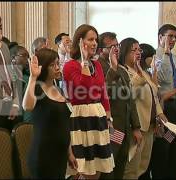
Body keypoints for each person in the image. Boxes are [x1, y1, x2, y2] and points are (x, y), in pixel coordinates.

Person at [63, 24, 115, 179]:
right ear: (80, 42)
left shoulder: (97, 64)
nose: (94, 43)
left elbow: (102, 92)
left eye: (96, 40)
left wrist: (108, 118)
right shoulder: (70, 65)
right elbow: (82, 90)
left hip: (98, 119)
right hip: (80, 119)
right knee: (81, 169)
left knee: (97, 167)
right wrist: (84, 60)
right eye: (90, 39)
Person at [98, 32, 142, 180]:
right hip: (110, 127)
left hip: (125, 127)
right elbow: (103, 93)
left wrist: (135, 126)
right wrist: (113, 68)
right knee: (108, 169)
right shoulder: (98, 67)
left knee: (121, 167)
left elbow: (130, 100)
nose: (116, 49)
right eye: (111, 46)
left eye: (117, 45)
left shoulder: (122, 69)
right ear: (100, 49)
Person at [120, 38, 165, 179]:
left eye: (139, 49)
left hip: (149, 125)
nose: (138, 52)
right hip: (136, 126)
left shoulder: (142, 70)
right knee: (131, 168)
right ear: (125, 52)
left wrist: (160, 113)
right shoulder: (122, 71)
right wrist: (139, 77)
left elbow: (154, 94)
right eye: (133, 50)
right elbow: (127, 95)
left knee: (143, 166)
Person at [23, 48, 71, 178]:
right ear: (43, 67)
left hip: (60, 155)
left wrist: (69, 153)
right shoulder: (38, 88)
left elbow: (64, 124)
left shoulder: (59, 90)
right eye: (52, 65)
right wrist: (33, 77)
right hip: (43, 154)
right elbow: (27, 106)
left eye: (57, 63)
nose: (57, 67)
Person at [153, 24, 176, 179]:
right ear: (161, 37)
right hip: (165, 108)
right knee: (163, 146)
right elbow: (159, 79)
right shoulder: (155, 56)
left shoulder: (175, 57)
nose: (173, 39)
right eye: (170, 36)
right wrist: (165, 53)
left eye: (175, 37)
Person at [9, 43, 31, 122]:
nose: (27, 59)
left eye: (28, 56)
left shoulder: (27, 77)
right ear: (13, 58)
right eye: (24, 56)